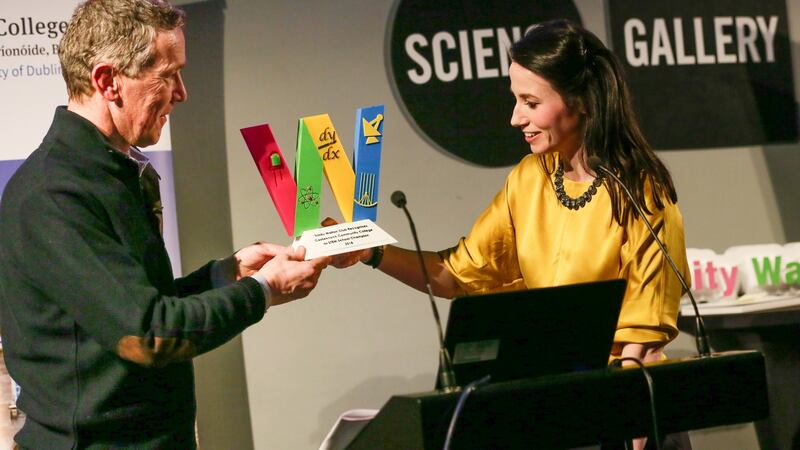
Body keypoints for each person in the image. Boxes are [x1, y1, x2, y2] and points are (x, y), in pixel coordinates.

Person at [331, 19, 690, 450]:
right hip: (554, 414)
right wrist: (372, 253)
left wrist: (628, 428)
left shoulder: (642, 190)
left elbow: (642, 337)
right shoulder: (529, 179)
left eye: (530, 102)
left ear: (582, 102)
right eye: (515, 99)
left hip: (627, 416)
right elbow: (456, 275)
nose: (515, 117)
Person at [0, 0, 329, 448]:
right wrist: (263, 290)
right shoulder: (54, 194)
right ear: (107, 81)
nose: (182, 92)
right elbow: (147, 334)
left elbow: (140, 304)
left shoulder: (112, 172)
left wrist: (225, 275)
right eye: (167, 75)